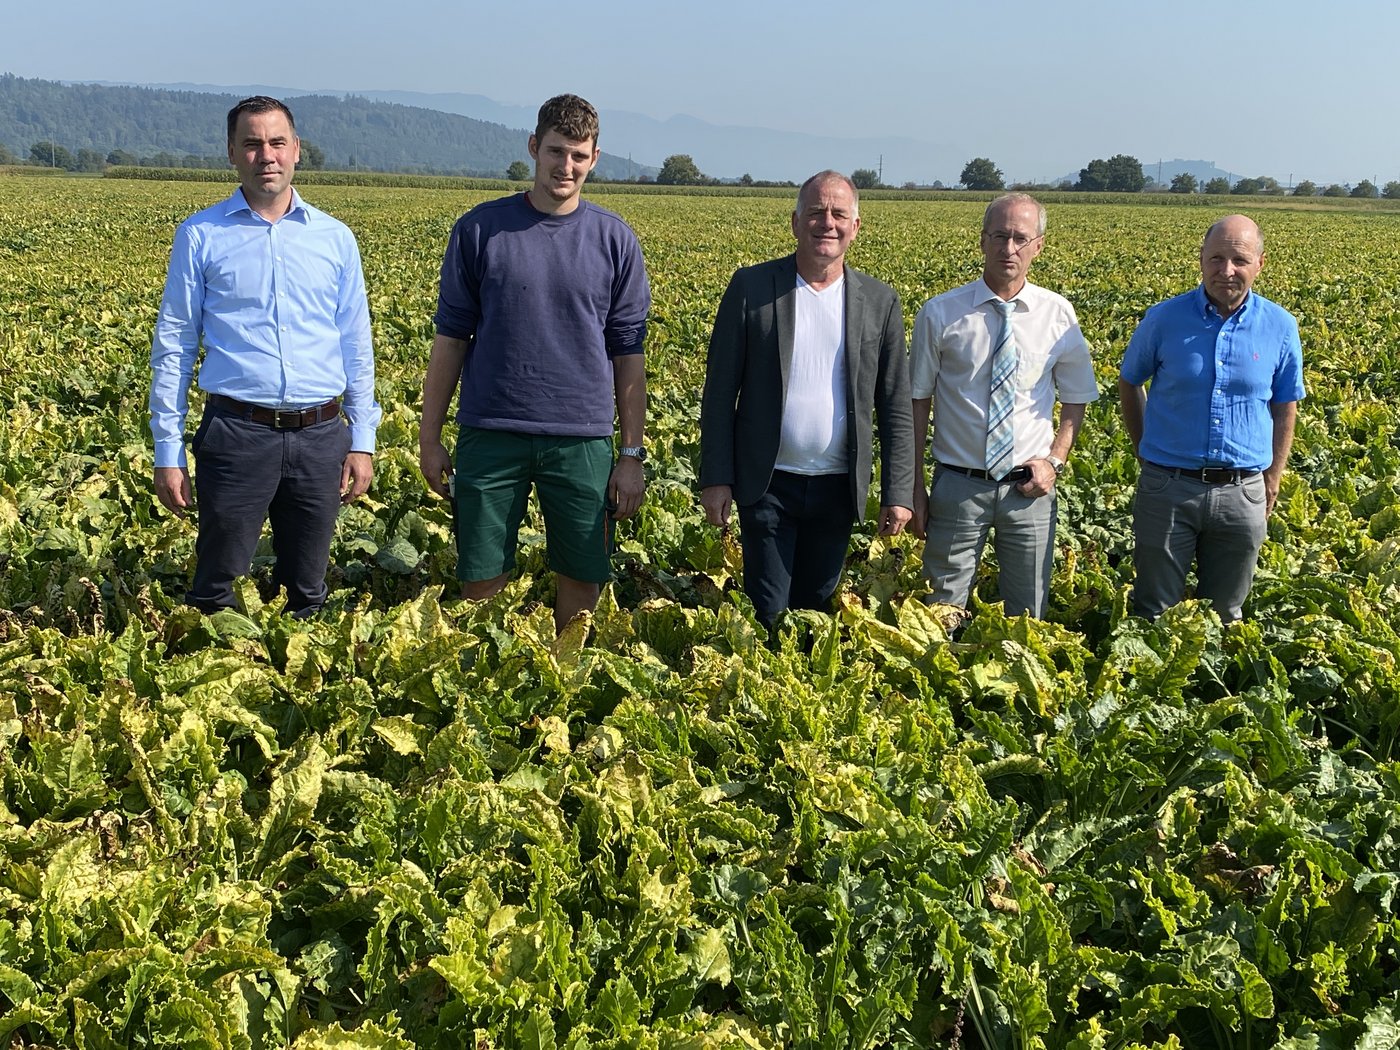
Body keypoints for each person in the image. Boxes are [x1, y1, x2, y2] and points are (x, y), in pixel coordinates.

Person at [418, 94, 650, 634]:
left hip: (582, 436)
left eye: (577, 155)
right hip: (491, 429)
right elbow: (449, 340)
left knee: (582, 574)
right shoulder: (480, 230)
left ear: (595, 158)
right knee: (480, 574)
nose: (564, 167)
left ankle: (565, 683)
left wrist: (632, 452)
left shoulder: (614, 240)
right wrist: (430, 437)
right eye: (554, 152)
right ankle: (483, 687)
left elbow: (629, 354)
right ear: (532, 148)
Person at [150, 95, 380, 617]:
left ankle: (298, 692)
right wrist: (168, 449)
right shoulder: (201, 235)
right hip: (236, 433)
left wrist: (362, 439)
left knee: (308, 589)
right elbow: (175, 345)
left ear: (297, 150)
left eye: (277, 142)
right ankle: (205, 693)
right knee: (215, 589)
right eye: (252, 144)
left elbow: (356, 346)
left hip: (322, 435)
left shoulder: (335, 239)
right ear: (232, 152)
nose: (266, 155)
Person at [699, 170, 913, 627]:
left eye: (839, 214)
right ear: (795, 222)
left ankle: (804, 693)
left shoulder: (879, 301)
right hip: (768, 483)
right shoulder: (752, 289)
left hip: (838, 486)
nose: (827, 223)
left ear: (856, 227)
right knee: (769, 608)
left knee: (817, 608)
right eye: (816, 212)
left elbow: (895, 406)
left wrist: (899, 492)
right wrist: (716, 477)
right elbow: (719, 393)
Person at [909, 193, 1098, 618]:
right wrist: (914, 484)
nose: (1008, 248)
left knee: (1028, 609)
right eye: (999, 236)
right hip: (958, 484)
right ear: (982, 241)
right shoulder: (941, 314)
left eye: (1019, 238)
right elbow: (917, 401)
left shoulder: (1058, 315)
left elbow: (1075, 399)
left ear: (1038, 245)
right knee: (941, 608)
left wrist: (1056, 460)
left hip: (1029, 486)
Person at [1118, 214, 1303, 622]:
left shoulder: (1280, 326)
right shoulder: (1164, 319)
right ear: (1201, 259)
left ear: (1260, 263)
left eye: (1239, 259)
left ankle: (1210, 685)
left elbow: (1285, 404)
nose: (1226, 271)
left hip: (1243, 492)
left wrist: (1273, 477)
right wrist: (1145, 449)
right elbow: (1129, 382)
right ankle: (1158, 687)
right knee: (1153, 612)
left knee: (1227, 613)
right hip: (1168, 487)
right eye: (1216, 258)